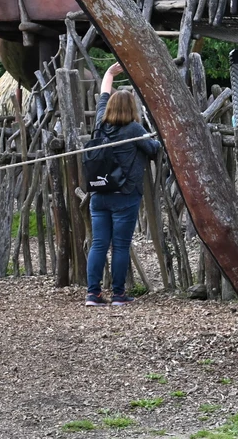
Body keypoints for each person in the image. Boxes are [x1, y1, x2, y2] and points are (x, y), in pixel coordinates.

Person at [86, 62, 161, 307]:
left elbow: (102, 98)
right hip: (125, 196)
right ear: (132, 108)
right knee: (120, 245)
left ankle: (93, 294)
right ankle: (118, 294)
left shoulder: (100, 125)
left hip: (99, 193)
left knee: (99, 243)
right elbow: (153, 149)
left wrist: (109, 74)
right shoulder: (134, 129)